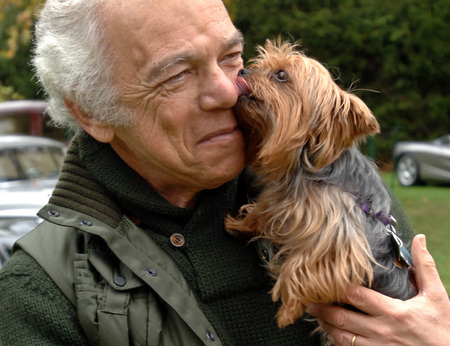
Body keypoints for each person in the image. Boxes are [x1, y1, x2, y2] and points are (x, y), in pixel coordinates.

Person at [0, 0, 448, 345]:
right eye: (176, 74)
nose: (231, 89)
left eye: (232, 56)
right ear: (91, 111)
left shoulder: (344, 190)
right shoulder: (38, 296)